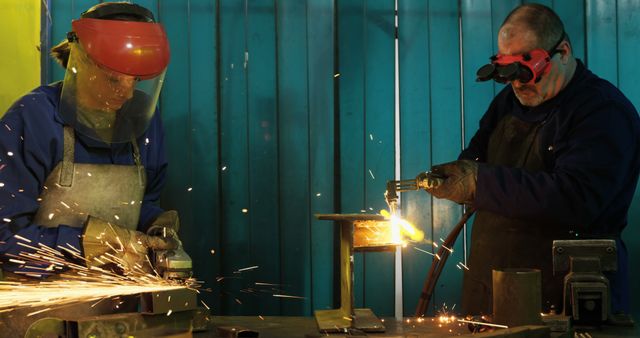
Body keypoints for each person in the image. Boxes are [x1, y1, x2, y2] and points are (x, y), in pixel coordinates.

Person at [423, 4, 639, 319]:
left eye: (528, 72)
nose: (519, 84)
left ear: (562, 52)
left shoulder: (603, 112)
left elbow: (577, 198)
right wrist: (459, 177)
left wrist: (479, 182)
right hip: (491, 293)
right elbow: (476, 158)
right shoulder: (511, 100)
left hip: (563, 298)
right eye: (509, 75)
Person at [0, 2, 182, 278]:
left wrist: (153, 222)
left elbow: (138, 205)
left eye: (135, 80)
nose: (128, 94)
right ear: (81, 63)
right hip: (41, 298)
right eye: (113, 80)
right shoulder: (33, 119)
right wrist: (83, 242)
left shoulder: (143, 118)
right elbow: (5, 237)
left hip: (120, 292)